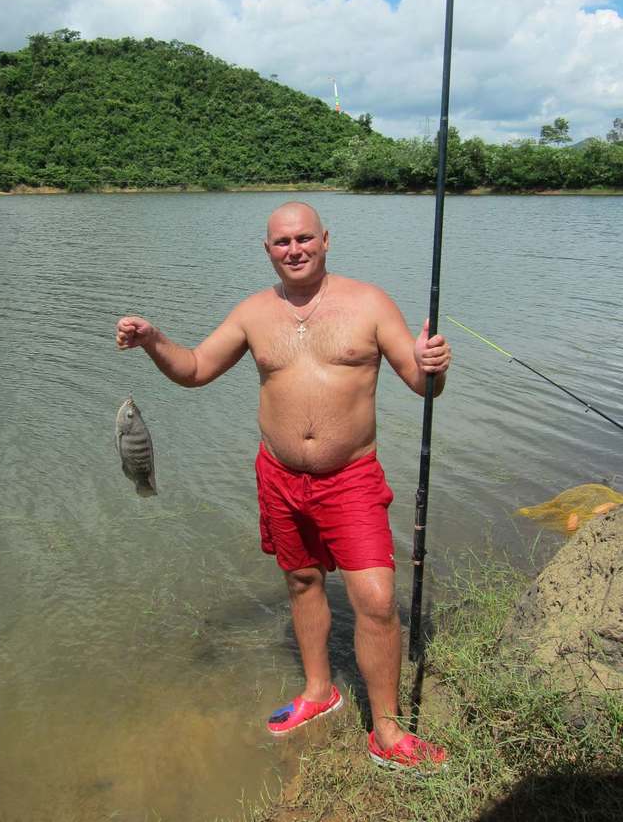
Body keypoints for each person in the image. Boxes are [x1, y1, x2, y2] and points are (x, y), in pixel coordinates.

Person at [116, 201, 451, 769]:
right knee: (301, 580)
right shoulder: (253, 312)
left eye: (303, 239)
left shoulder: (369, 303)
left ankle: (387, 732)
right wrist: (153, 339)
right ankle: (320, 692)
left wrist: (433, 366)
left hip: (350, 479)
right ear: (266, 250)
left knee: (374, 598)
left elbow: (422, 386)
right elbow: (195, 369)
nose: (293, 250)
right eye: (281, 243)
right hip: (278, 475)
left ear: (325, 240)